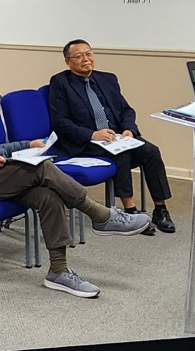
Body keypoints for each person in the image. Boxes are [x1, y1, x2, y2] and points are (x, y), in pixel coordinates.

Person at [0, 51, 150, 297]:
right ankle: (101, 216)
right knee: (41, 167)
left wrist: (27, 145)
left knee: (46, 194)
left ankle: (59, 271)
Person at [48, 41, 176, 233]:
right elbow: (60, 121)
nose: (86, 59)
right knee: (121, 154)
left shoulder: (108, 79)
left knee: (151, 151)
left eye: (89, 54)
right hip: (86, 141)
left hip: (116, 136)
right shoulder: (60, 83)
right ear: (68, 62)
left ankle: (161, 209)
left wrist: (128, 129)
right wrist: (93, 134)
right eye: (79, 56)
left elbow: (126, 110)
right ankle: (130, 212)